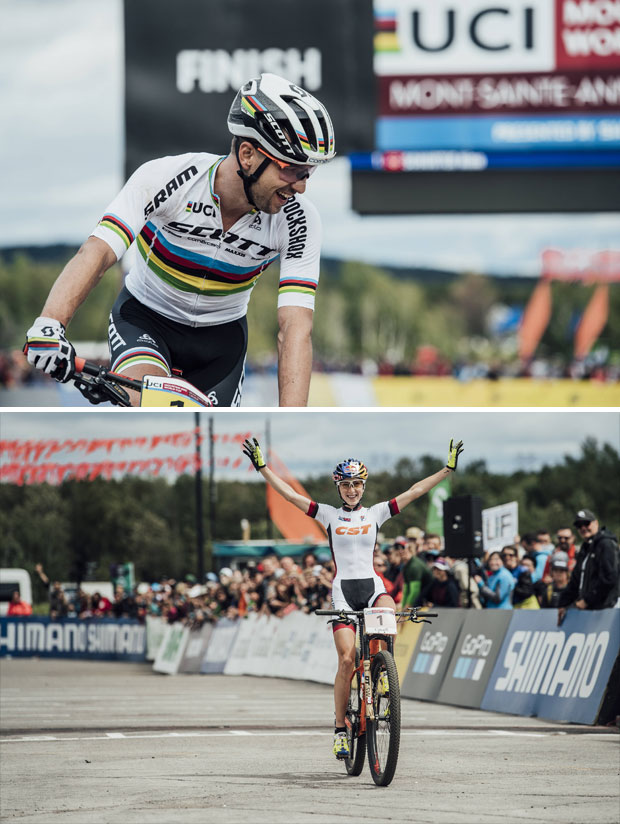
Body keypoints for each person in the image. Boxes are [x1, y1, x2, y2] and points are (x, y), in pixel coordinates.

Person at [24, 73, 336, 407]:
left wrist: (292, 418)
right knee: (148, 409)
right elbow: (98, 252)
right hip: (146, 318)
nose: (301, 186)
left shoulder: (300, 219)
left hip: (221, 342)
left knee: (210, 446)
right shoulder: (168, 178)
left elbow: (295, 327)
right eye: (291, 170)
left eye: (308, 173)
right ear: (247, 154)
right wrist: (51, 322)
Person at [242, 435, 464, 759]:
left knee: (389, 615)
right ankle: (340, 729)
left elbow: (415, 491)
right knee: (347, 659)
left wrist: (446, 470)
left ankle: (383, 672)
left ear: (364, 486)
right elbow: (290, 495)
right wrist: (263, 468)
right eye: (346, 485)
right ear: (338, 488)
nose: (351, 490)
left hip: (372, 587)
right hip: (343, 592)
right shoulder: (328, 515)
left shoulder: (375, 513)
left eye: (357, 484)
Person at [558, 509, 620, 624]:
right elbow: (575, 580)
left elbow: (609, 577)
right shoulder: (585, 547)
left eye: (586, 523)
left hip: (606, 610)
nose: (583, 528)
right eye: (579, 525)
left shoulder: (606, 544)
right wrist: (563, 603)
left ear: (596, 523)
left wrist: (587, 600)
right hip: (589, 611)